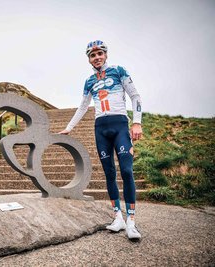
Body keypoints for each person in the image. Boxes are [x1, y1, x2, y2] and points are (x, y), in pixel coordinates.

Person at [59, 40, 142, 240]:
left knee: (127, 171)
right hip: (100, 129)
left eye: (99, 54)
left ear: (105, 55)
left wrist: (137, 123)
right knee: (109, 173)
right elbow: (83, 106)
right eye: (92, 55)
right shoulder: (89, 81)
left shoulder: (118, 70)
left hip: (120, 125)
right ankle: (118, 217)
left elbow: (135, 97)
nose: (97, 58)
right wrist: (69, 128)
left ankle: (131, 221)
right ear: (89, 59)